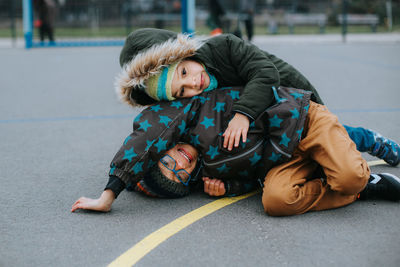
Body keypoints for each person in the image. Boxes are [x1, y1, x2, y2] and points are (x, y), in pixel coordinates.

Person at [72, 86, 400, 215]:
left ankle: (365, 142)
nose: (179, 164)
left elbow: (145, 137)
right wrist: (228, 188)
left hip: (299, 121)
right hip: (284, 159)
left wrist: (111, 190)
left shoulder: (186, 115)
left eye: (167, 162)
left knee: (346, 169)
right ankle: (364, 187)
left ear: (163, 149)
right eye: (179, 175)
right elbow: (250, 179)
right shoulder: (207, 171)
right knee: (275, 202)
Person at [114, 28, 399, 166]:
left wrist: (242, 114)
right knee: (290, 154)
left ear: (184, 54)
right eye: (182, 90)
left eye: (186, 71)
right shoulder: (195, 94)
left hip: (289, 98)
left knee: (314, 137)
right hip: (259, 121)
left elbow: (266, 73)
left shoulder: (224, 47)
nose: (193, 84)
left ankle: (367, 139)